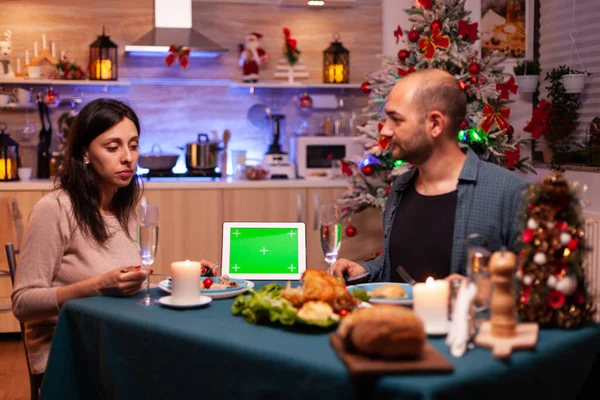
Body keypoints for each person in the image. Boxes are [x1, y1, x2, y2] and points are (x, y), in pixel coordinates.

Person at [10, 99, 216, 379]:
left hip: (117, 341)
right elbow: (23, 304)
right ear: (85, 153)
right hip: (70, 353)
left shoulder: (126, 208)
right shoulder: (55, 209)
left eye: (133, 145)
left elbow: (128, 285)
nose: (128, 157)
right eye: (112, 147)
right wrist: (96, 286)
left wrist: (185, 278)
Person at [333, 69, 526, 283]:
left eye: (395, 119)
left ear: (435, 124)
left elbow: (533, 285)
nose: (385, 131)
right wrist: (364, 270)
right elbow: (399, 265)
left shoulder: (509, 193)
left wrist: (475, 289)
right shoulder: (400, 187)